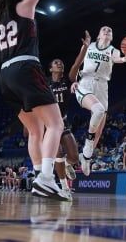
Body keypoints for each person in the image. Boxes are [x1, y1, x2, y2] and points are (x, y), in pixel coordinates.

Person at [0, 0, 68, 201]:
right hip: (25, 68)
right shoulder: (24, 7)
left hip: (5, 76)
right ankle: (46, 178)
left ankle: (38, 177)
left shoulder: (0, 19)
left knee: (35, 129)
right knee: (55, 125)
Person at [71, 27, 126, 176]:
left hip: (102, 86)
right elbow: (77, 63)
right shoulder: (89, 46)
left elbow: (118, 59)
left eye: (110, 31)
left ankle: (86, 157)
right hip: (85, 82)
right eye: (104, 30)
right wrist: (74, 80)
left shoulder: (113, 50)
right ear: (99, 35)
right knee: (99, 110)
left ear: (112, 37)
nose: (107, 31)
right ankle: (87, 149)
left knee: (100, 128)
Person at [47, 57, 81, 194]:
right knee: (58, 154)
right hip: (48, 124)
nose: (59, 63)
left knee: (74, 157)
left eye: (61, 62)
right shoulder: (45, 83)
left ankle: (67, 165)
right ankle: (64, 187)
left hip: (63, 121)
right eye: (56, 62)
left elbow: (77, 64)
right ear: (51, 69)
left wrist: (84, 47)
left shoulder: (67, 80)